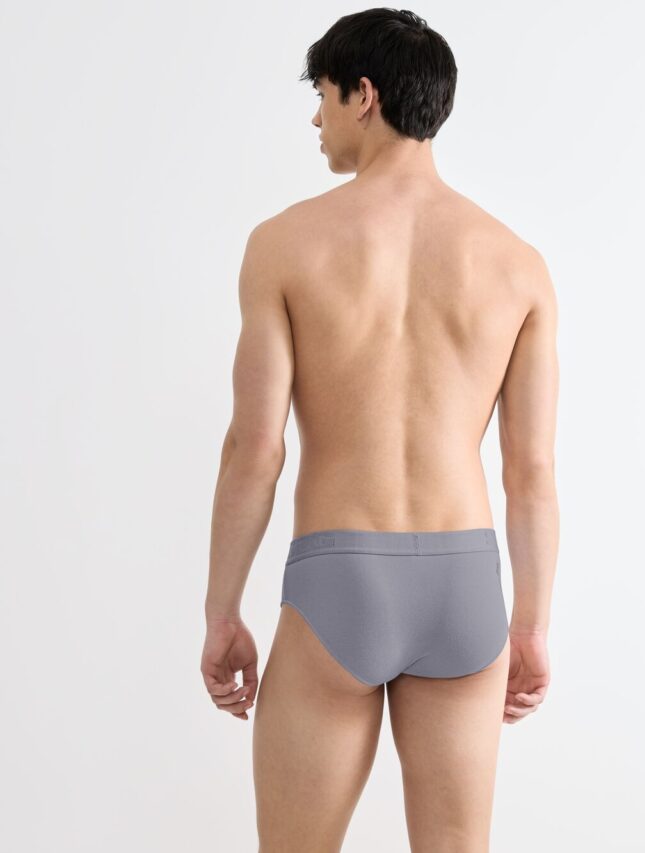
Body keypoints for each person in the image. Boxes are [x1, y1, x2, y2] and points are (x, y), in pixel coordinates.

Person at [200, 8, 559, 852]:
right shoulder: (518, 264)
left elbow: (256, 449)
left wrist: (222, 613)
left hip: (340, 578)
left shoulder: (284, 245)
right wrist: (531, 626)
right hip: (465, 585)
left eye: (323, 96)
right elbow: (532, 470)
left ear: (364, 96)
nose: (315, 119)